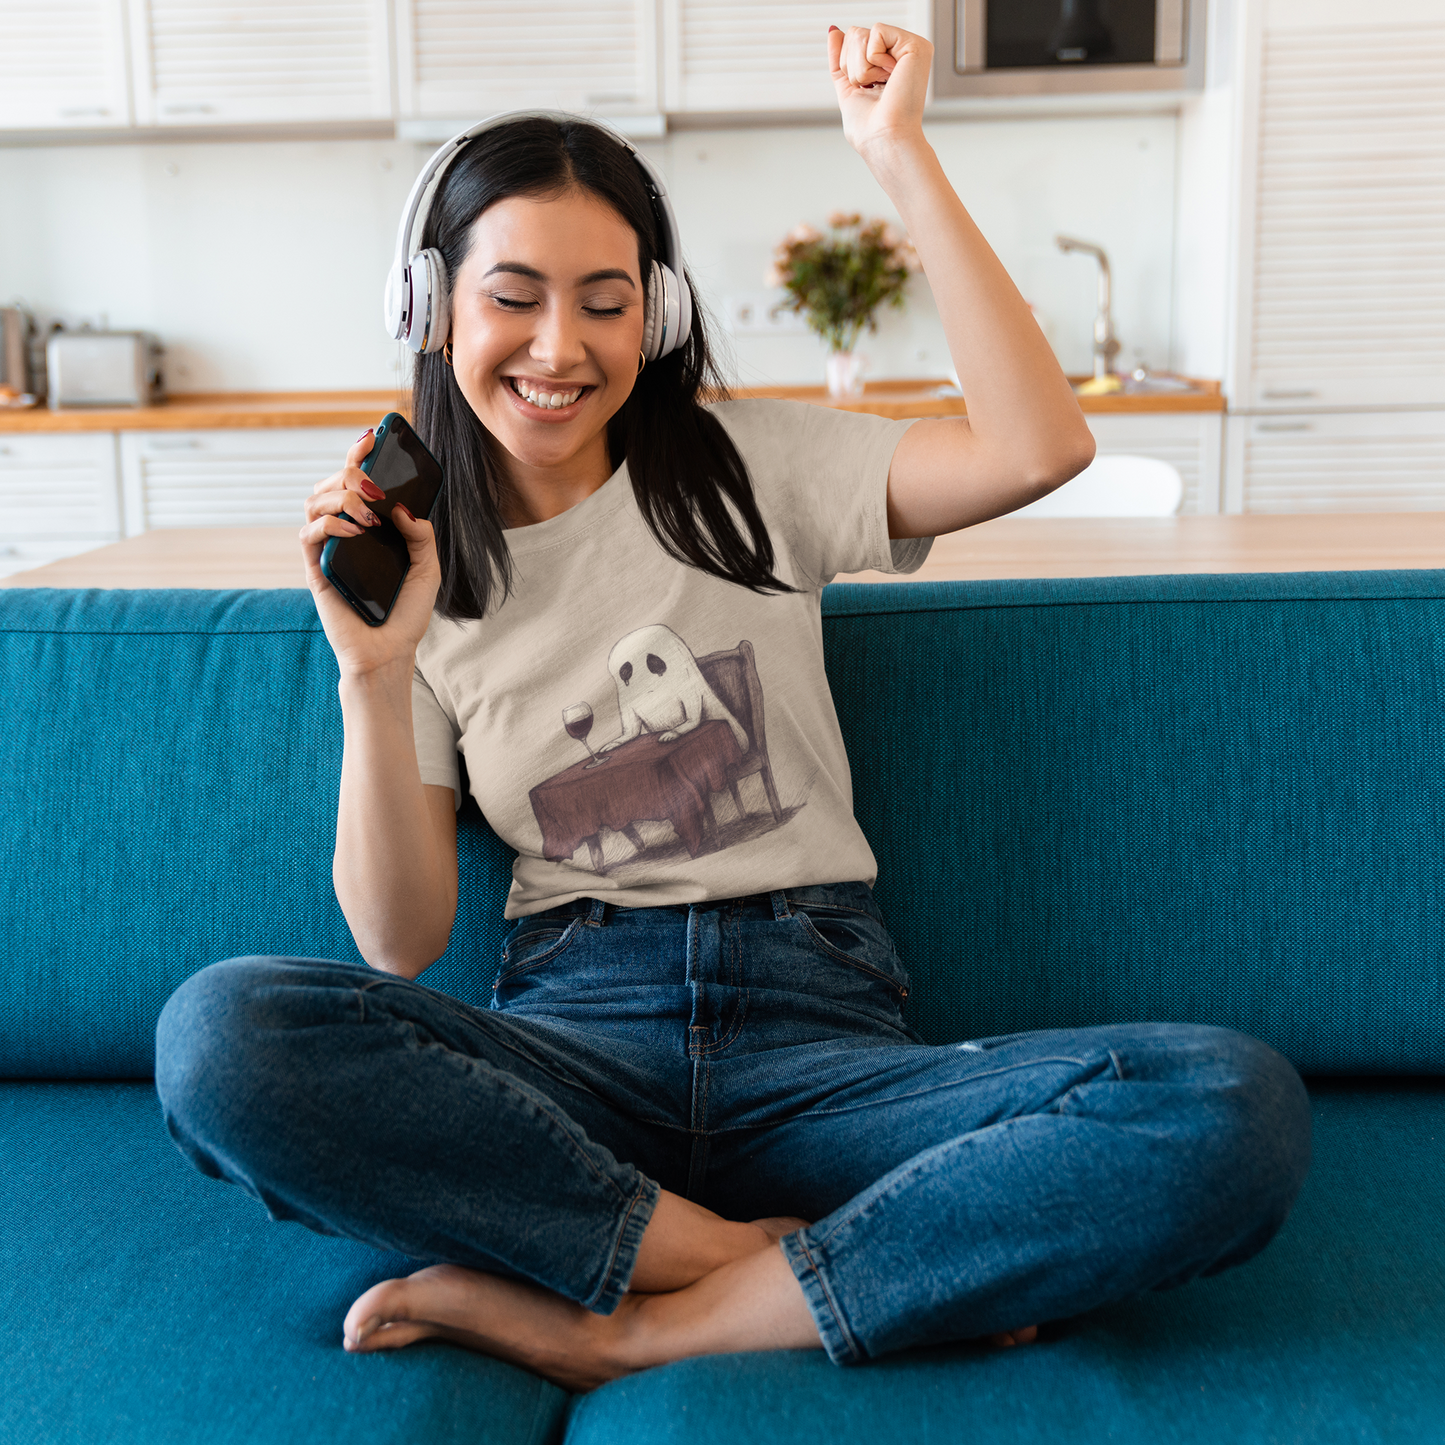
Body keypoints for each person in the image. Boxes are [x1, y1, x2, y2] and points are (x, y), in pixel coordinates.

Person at [155, 24, 1312, 1392]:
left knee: (1227, 1109)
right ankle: (763, 1262)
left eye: (605, 299)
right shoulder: (418, 563)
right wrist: (372, 668)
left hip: (821, 1048)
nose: (559, 346)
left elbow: (1037, 447)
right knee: (223, 1035)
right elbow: (399, 943)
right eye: (513, 297)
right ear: (430, 310)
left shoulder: (745, 467)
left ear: (654, 309)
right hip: (576, 1063)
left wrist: (899, 155)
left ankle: (638, 1322)